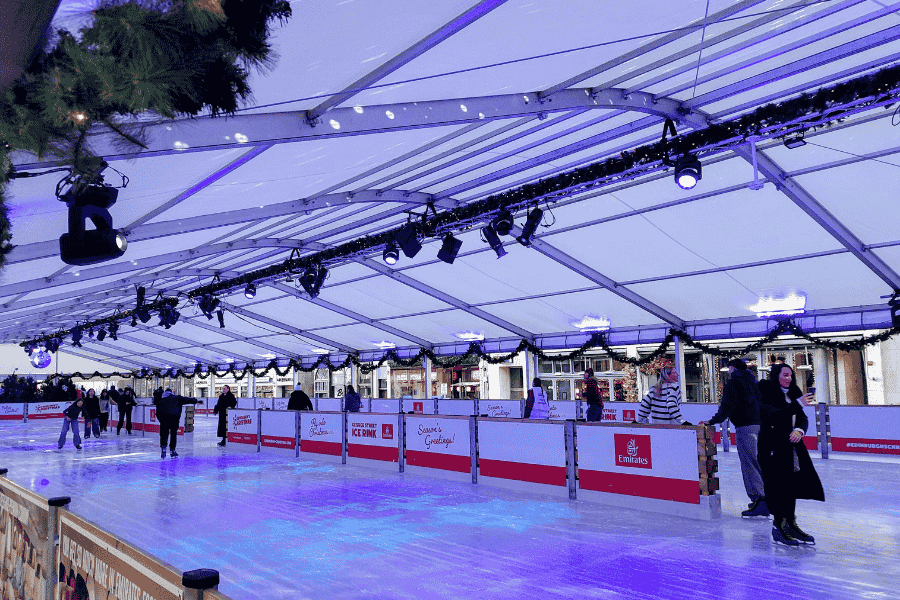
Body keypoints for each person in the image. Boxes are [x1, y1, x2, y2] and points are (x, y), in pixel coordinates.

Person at [758, 364, 824, 546]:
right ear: (776, 375)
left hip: (791, 447)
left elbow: (802, 416)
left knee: (791, 485)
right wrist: (797, 404)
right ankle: (779, 526)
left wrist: (799, 429)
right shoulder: (765, 390)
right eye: (785, 375)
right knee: (778, 486)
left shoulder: (793, 391)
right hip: (772, 447)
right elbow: (772, 415)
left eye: (790, 375)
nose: (788, 378)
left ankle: (791, 524)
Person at [700, 359, 766, 517]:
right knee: (758, 463)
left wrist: (713, 421)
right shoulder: (752, 381)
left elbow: (727, 406)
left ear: (732, 368)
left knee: (749, 464)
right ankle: (764, 499)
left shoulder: (734, 382)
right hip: (758, 425)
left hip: (745, 427)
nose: (728, 371)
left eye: (729, 367)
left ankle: (759, 501)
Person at [153, 388, 201, 458]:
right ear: (171, 393)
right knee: (173, 434)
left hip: (164, 419)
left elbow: (157, 412)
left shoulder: (160, 399)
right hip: (174, 419)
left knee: (164, 434)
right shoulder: (177, 398)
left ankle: (163, 448)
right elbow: (188, 400)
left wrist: (161, 420)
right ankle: (172, 450)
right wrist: (196, 401)